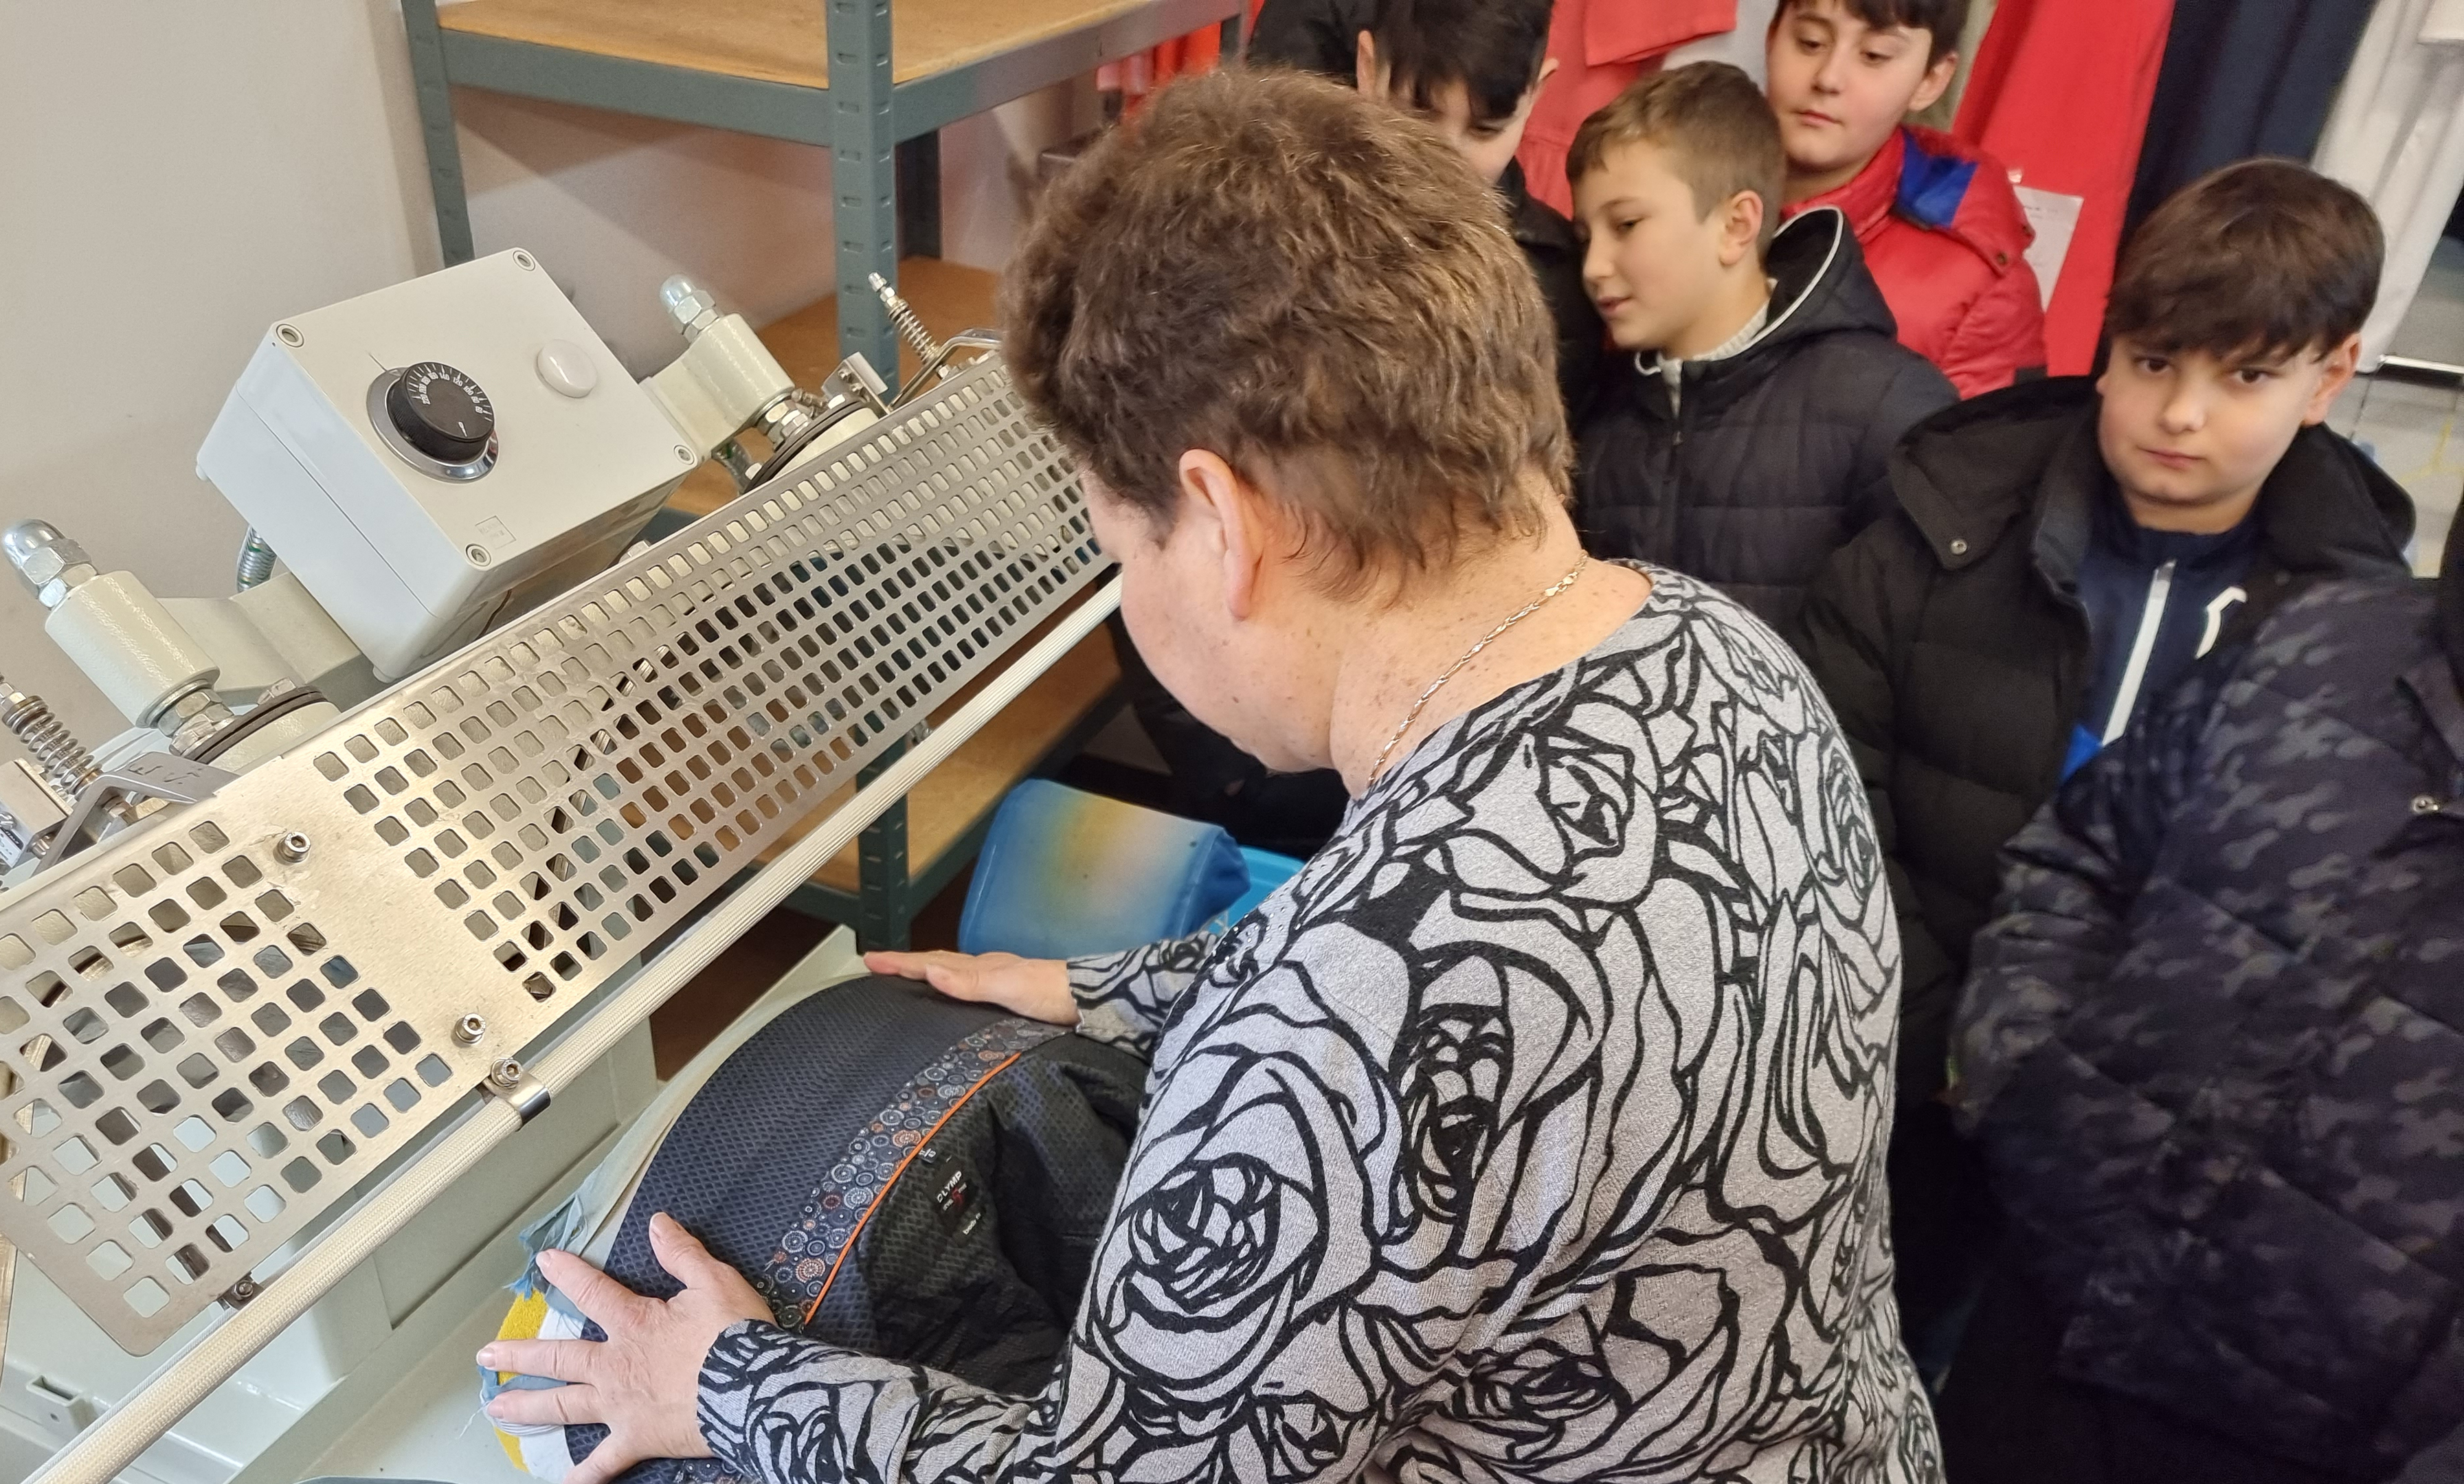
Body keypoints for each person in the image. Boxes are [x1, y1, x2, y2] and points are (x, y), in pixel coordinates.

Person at [473, 69, 1941, 1484]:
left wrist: (720, 1384)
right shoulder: (1719, 654)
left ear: (1222, 526)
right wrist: (1101, 986)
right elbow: (1463, 980)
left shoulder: (1348, 1031)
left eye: (1121, 552)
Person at [1796, 157, 2417, 1385]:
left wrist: (2082, 1099)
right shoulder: (1936, 528)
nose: (2182, 415)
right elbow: (1824, 792)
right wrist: (1940, 1046)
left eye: (2244, 376)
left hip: (2131, 1146)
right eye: (2151, 364)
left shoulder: (2363, 629)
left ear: (2331, 375)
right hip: (1882, 1073)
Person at [1938, 511, 2464, 1484]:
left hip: (2316, 1447)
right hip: (2047, 1316)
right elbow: (2082, 854)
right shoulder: (2321, 637)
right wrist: (2019, 1085)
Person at [1130, 0, 1598, 855]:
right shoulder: (1261, 254)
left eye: (1488, 126)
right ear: (1370, 67)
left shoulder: (1564, 292)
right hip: (1268, 754)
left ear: (1540, 93)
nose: (1449, 161)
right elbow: (1158, 519)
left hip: (1457, 753)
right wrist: (1227, 768)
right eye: (1420, 116)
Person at [1568, 61, 1952, 639]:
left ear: (1737, 224)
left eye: (1626, 225)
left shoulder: (1886, 407)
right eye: (1584, 238)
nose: (1595, 267)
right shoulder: (1599, 414)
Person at [1766, 0, 2045, 396]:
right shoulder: (1674, 174)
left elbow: (1985, 455)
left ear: (1932, 79)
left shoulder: (1983, 286)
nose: (1828, 78)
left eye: (1874, 55)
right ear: (1772, 36)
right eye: (1810, 43)